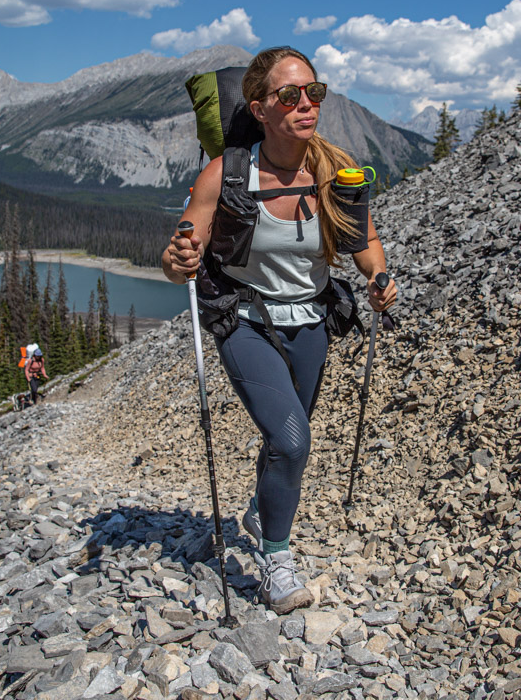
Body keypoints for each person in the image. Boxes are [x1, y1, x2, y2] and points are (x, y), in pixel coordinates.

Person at [162, 46, 397, 614]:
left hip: (312, 322)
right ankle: (277, 563)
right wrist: (179, 257)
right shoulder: (226, 174)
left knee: (283, 442)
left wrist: (378, 275)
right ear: (260, 108)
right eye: (289, 96)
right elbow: (180, 256)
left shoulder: (333, 168)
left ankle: (259, 511)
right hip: (245, 320)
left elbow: (362, 237)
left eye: (313, 92)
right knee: (292, 439)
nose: (305, 105)